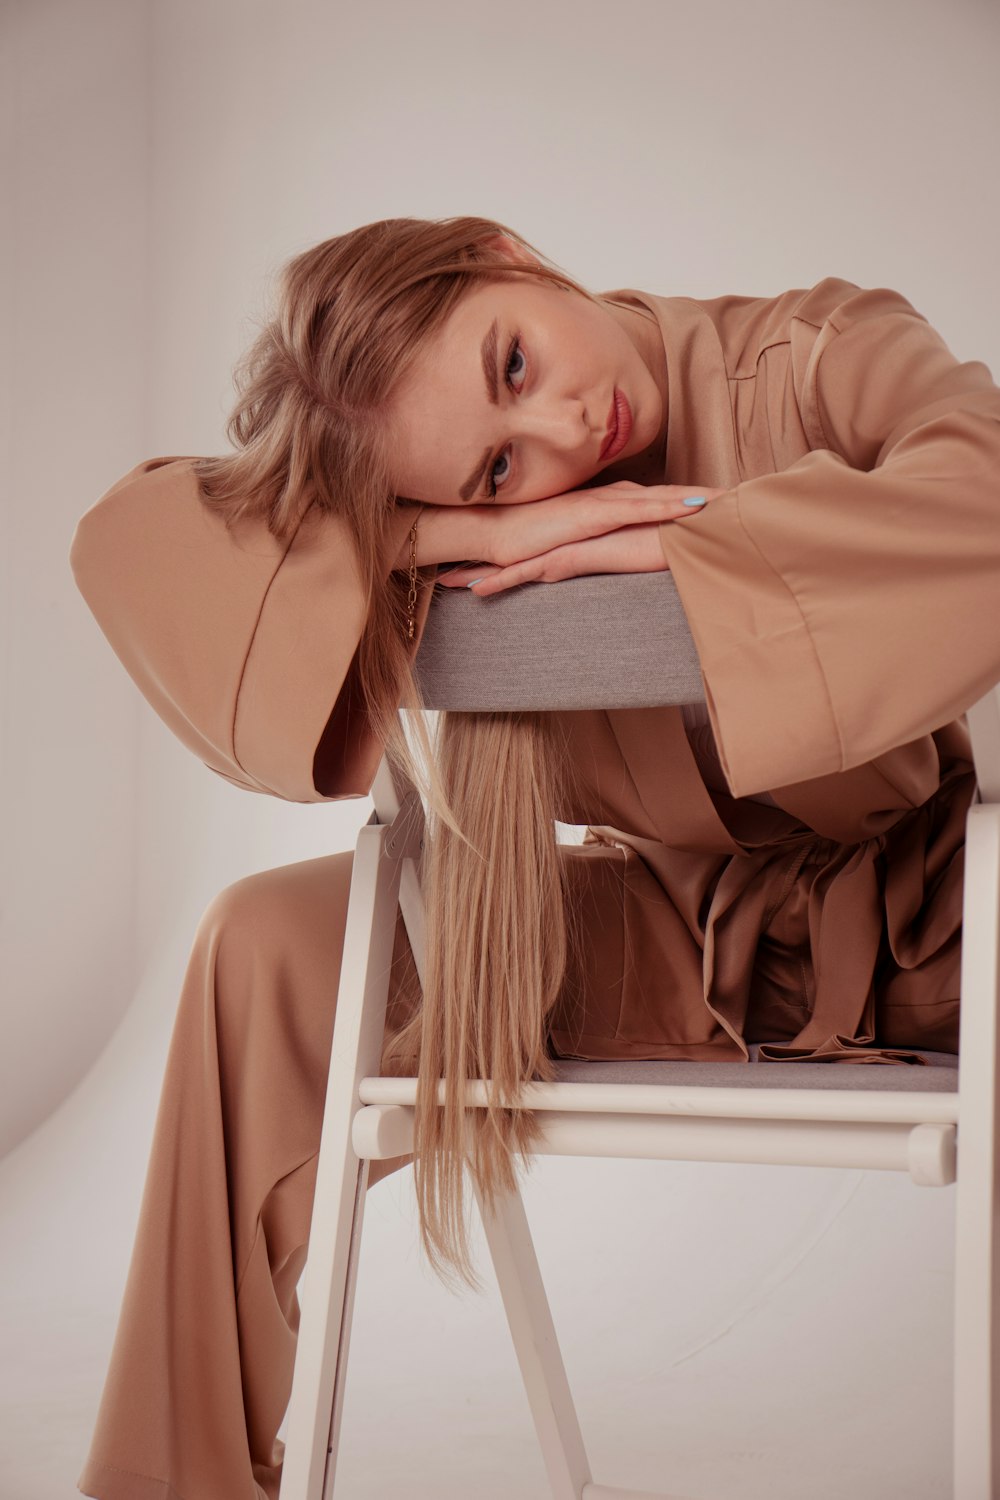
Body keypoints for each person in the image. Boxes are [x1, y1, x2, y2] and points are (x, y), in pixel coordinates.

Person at [70, 216, 1000, 1500]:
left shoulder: (819, 353)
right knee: (262, 949)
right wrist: (449, 544)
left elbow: (988, 503)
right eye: (498, 471)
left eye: (513, 365)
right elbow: (127, 550)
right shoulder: (479, 524)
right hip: (682, 941)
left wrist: (695, 538)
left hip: (948, 933)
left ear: (508, 252)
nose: (568, 435)